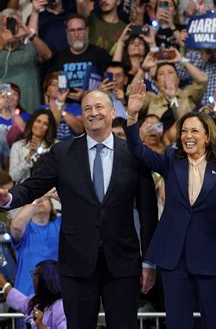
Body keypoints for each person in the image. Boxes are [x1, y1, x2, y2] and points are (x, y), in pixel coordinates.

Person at [0, 90, 158, 329]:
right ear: (81, 115)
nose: (93, 113)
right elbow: (34, 186)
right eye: (87, 109)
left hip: (123, 262)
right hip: (76, 263)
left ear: (113, 112)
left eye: (99, 107)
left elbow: (148, 213)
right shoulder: (62, 153)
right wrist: (9, 197)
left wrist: (149, 262)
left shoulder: (133, 153)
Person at [124, 84, 216, 329]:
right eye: (184, 131)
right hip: (175, 260)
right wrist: (132, 116)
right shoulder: (172, 160)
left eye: (194, 131)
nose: (187, 136)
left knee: (214, 323)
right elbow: (137, 150)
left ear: (207, 136)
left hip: (212, 258)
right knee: (177, 324)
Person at [9, 189, 61, 297]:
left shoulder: (60, 223)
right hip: (26, 297)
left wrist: (63, 199)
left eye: (45, 199)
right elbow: (16, 227)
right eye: (37, 198)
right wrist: (35, 200)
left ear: (51, 206)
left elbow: (80, 219)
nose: (41, 201)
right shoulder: (25, 228)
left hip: (58, 296)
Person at [0, 260, 66, 328]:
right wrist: (3, 283)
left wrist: (40, 325)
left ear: (44, 279)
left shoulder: (62, 307)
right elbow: (20, 301)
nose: (32, 278)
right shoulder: (37, 300)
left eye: (34, 274)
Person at [9, 109, 57, 183]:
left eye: (45, 124)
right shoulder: (17, 146)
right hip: (23, 191)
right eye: (38, 121)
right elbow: (13, 177)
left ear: (49, 128)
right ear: (32, 122)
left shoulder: (55, 146)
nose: (40, 126)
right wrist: (28, 158)